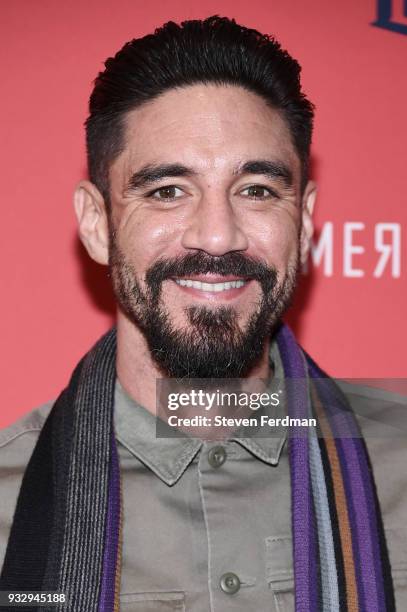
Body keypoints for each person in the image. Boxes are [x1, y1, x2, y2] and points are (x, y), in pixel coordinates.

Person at [0, 15, 405, 612]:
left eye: (257, 190)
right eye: (167, 190)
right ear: (96, 224)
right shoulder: (10, 507)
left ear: (306, 219)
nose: (217, 237)